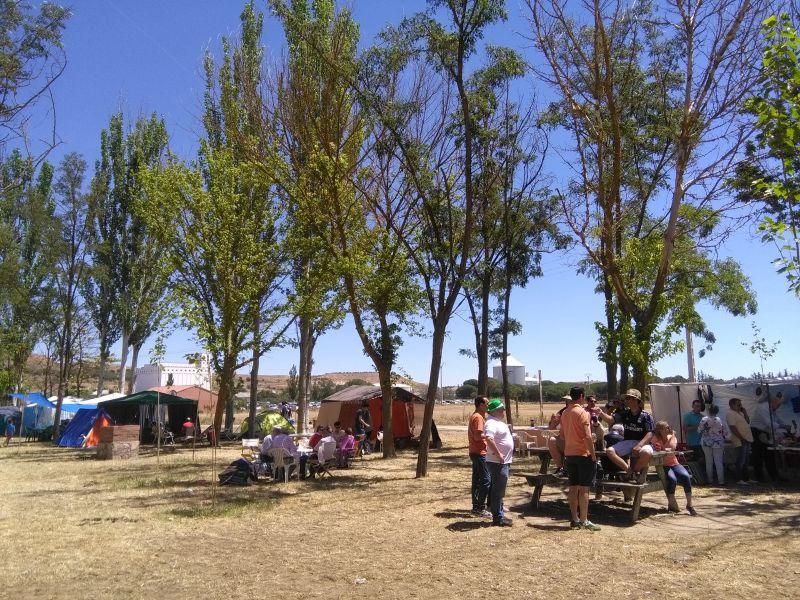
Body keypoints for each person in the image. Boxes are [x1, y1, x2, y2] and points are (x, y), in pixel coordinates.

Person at [561, 387, 600, 531]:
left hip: (569, 454)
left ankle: (574, 518)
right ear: (582, 396)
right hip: (583, 454)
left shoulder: (565, 413)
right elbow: (587, 436)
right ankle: (584, 519)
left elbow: (563, 435)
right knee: (584, 489)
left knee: (573, 487)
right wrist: (593, 454)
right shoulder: (582, 413)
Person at [598, 389, 654, 480]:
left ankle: (634, 472)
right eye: (626, 398)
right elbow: (610, 420)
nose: (626, 400)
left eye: (629, 398)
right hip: (628, 441)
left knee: (646, 452)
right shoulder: (624, 413)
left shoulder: (646, 416)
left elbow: (650, 433)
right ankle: (629, 472)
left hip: (643, 442)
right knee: (609, 451)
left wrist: (640, 445)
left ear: (636, 400)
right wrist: (600, 413)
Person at [650, 421, 696, 515]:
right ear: (660, 430)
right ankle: (672, 504)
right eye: (666, 428)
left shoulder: (672, 436)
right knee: (672, 479)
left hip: (674, 463)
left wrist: (672, 436)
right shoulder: (654, 438)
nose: (669, 429)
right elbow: (657, 449)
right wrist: (663, 449)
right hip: (663, 465)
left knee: (686, 476)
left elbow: (672, 448)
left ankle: (689, 505)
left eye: (668, 427)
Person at [484, 399, 514, 527]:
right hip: (497, 462)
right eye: (502, 409)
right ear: (495, 411)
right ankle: (498, 518)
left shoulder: (498, 422)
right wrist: (498, 453)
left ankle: (499, 514)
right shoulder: (490, 422)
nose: (503, 411)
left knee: (500, 489)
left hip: (504, 461)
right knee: (498, 490)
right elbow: (489, 438)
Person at [750, 389, 790, 483]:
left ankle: (774, 476)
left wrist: (784, 425)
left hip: (765, 432)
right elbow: (769, 423)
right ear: (773, 402)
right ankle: (759, 477)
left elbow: (777, 419)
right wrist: (782, 426)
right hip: (757, 432)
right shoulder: (762, 407)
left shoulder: (772, 408)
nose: (778, 407)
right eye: (778, 405)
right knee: (758, 455)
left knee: (770, 454)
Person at [467, 396, 491, 518]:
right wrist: (490, 435)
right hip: (479, 452)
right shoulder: (478, 418)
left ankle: (476, 506)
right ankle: (480, 507)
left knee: (477, 480)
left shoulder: (476, 416)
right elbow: (477, 437)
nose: (488, 405)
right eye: (487, 403)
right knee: (486, 480)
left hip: (474, 451)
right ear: (481, 405)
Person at [698, 404, 728, 485]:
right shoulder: (721, 419)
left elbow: (699, 430)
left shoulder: (704, 419)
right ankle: (721, 481)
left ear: (708, 410)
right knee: (718, 462)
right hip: (718, 442)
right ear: (717, 411)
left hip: (706, 442)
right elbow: (726, 432)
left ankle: (710, 480)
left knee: (709, 461)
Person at [726, 397, 753, 485]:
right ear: (732, 405)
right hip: (739, 440)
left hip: (747, 438)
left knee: (747, 460)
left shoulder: (740, 413)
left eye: (740, 404)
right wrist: (741, 438)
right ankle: (739, 479)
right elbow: (733, 428)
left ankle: (747, 478)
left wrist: (745, 412)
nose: (740, 406)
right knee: (741, 460)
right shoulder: (730, 413)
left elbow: (748, 422)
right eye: (738, 404)